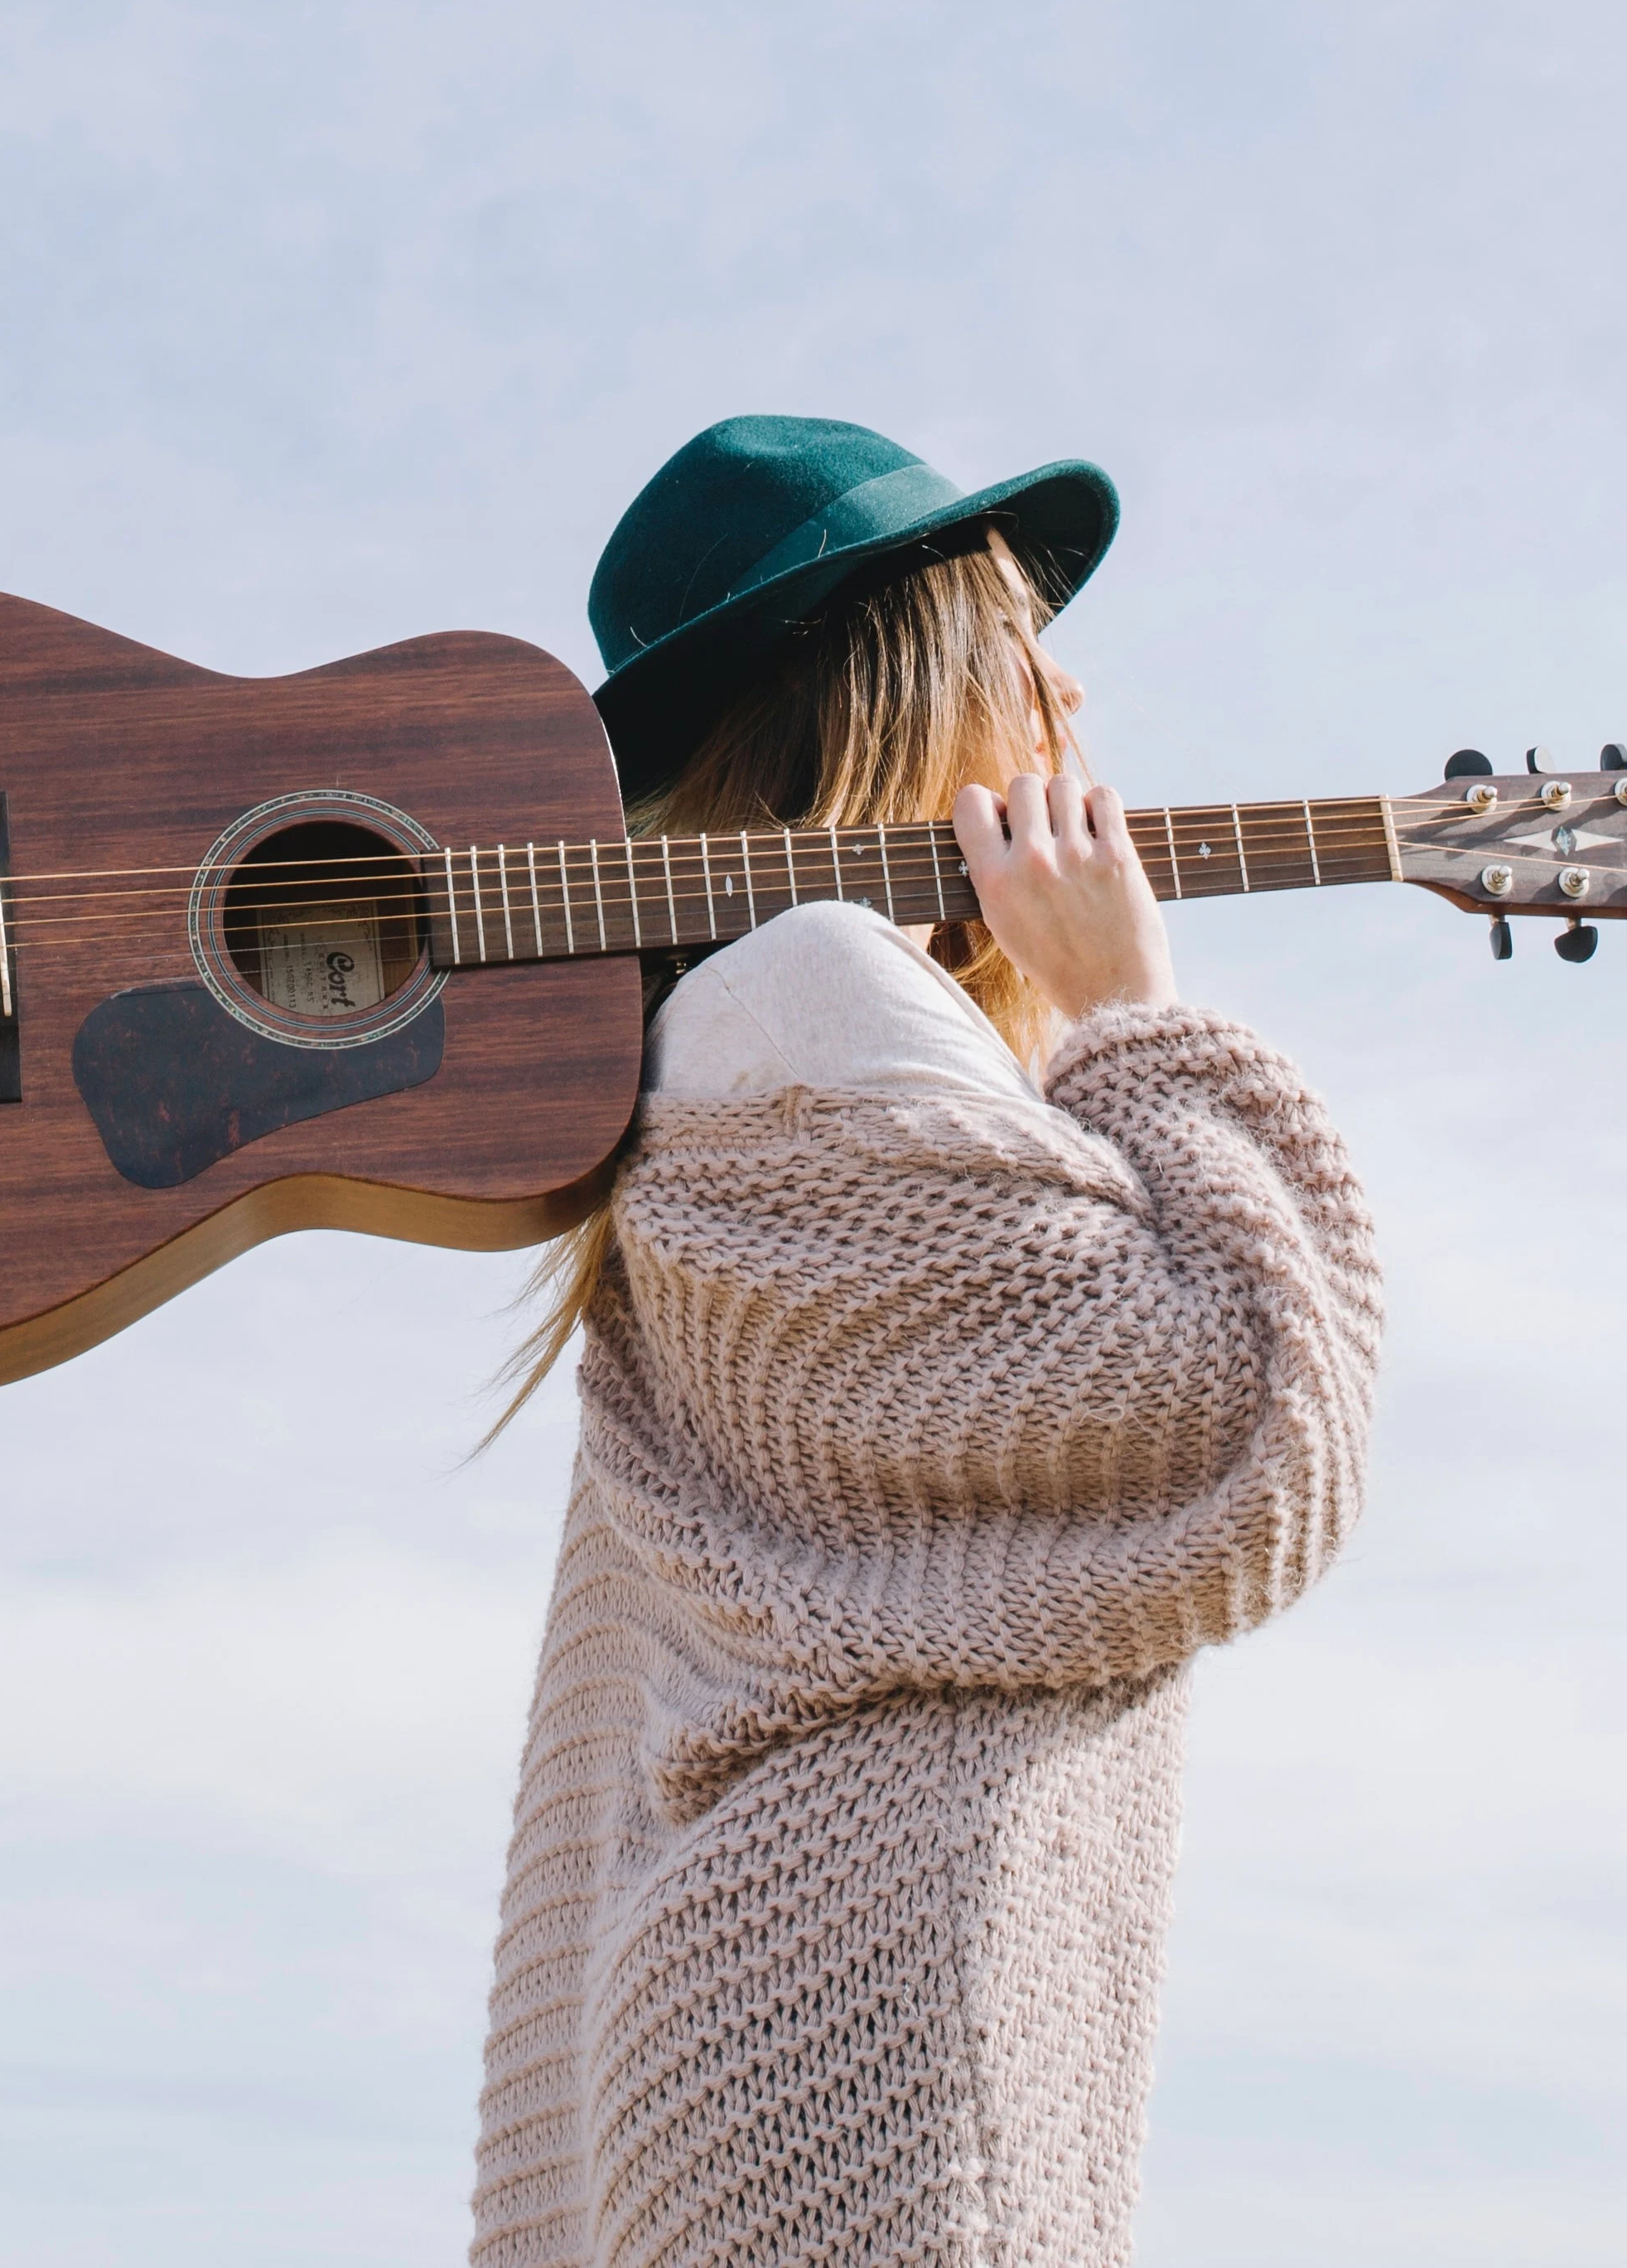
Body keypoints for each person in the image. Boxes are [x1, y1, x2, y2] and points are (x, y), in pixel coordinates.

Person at [467, 415, 1382, 2268]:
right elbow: (1238, 1418)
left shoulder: (712, 1056)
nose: (1070, 704)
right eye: (1028, 652)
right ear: (919, 686)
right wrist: (1135, 1011)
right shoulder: (814, 992)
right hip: (868, 2068)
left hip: (758, 2038)